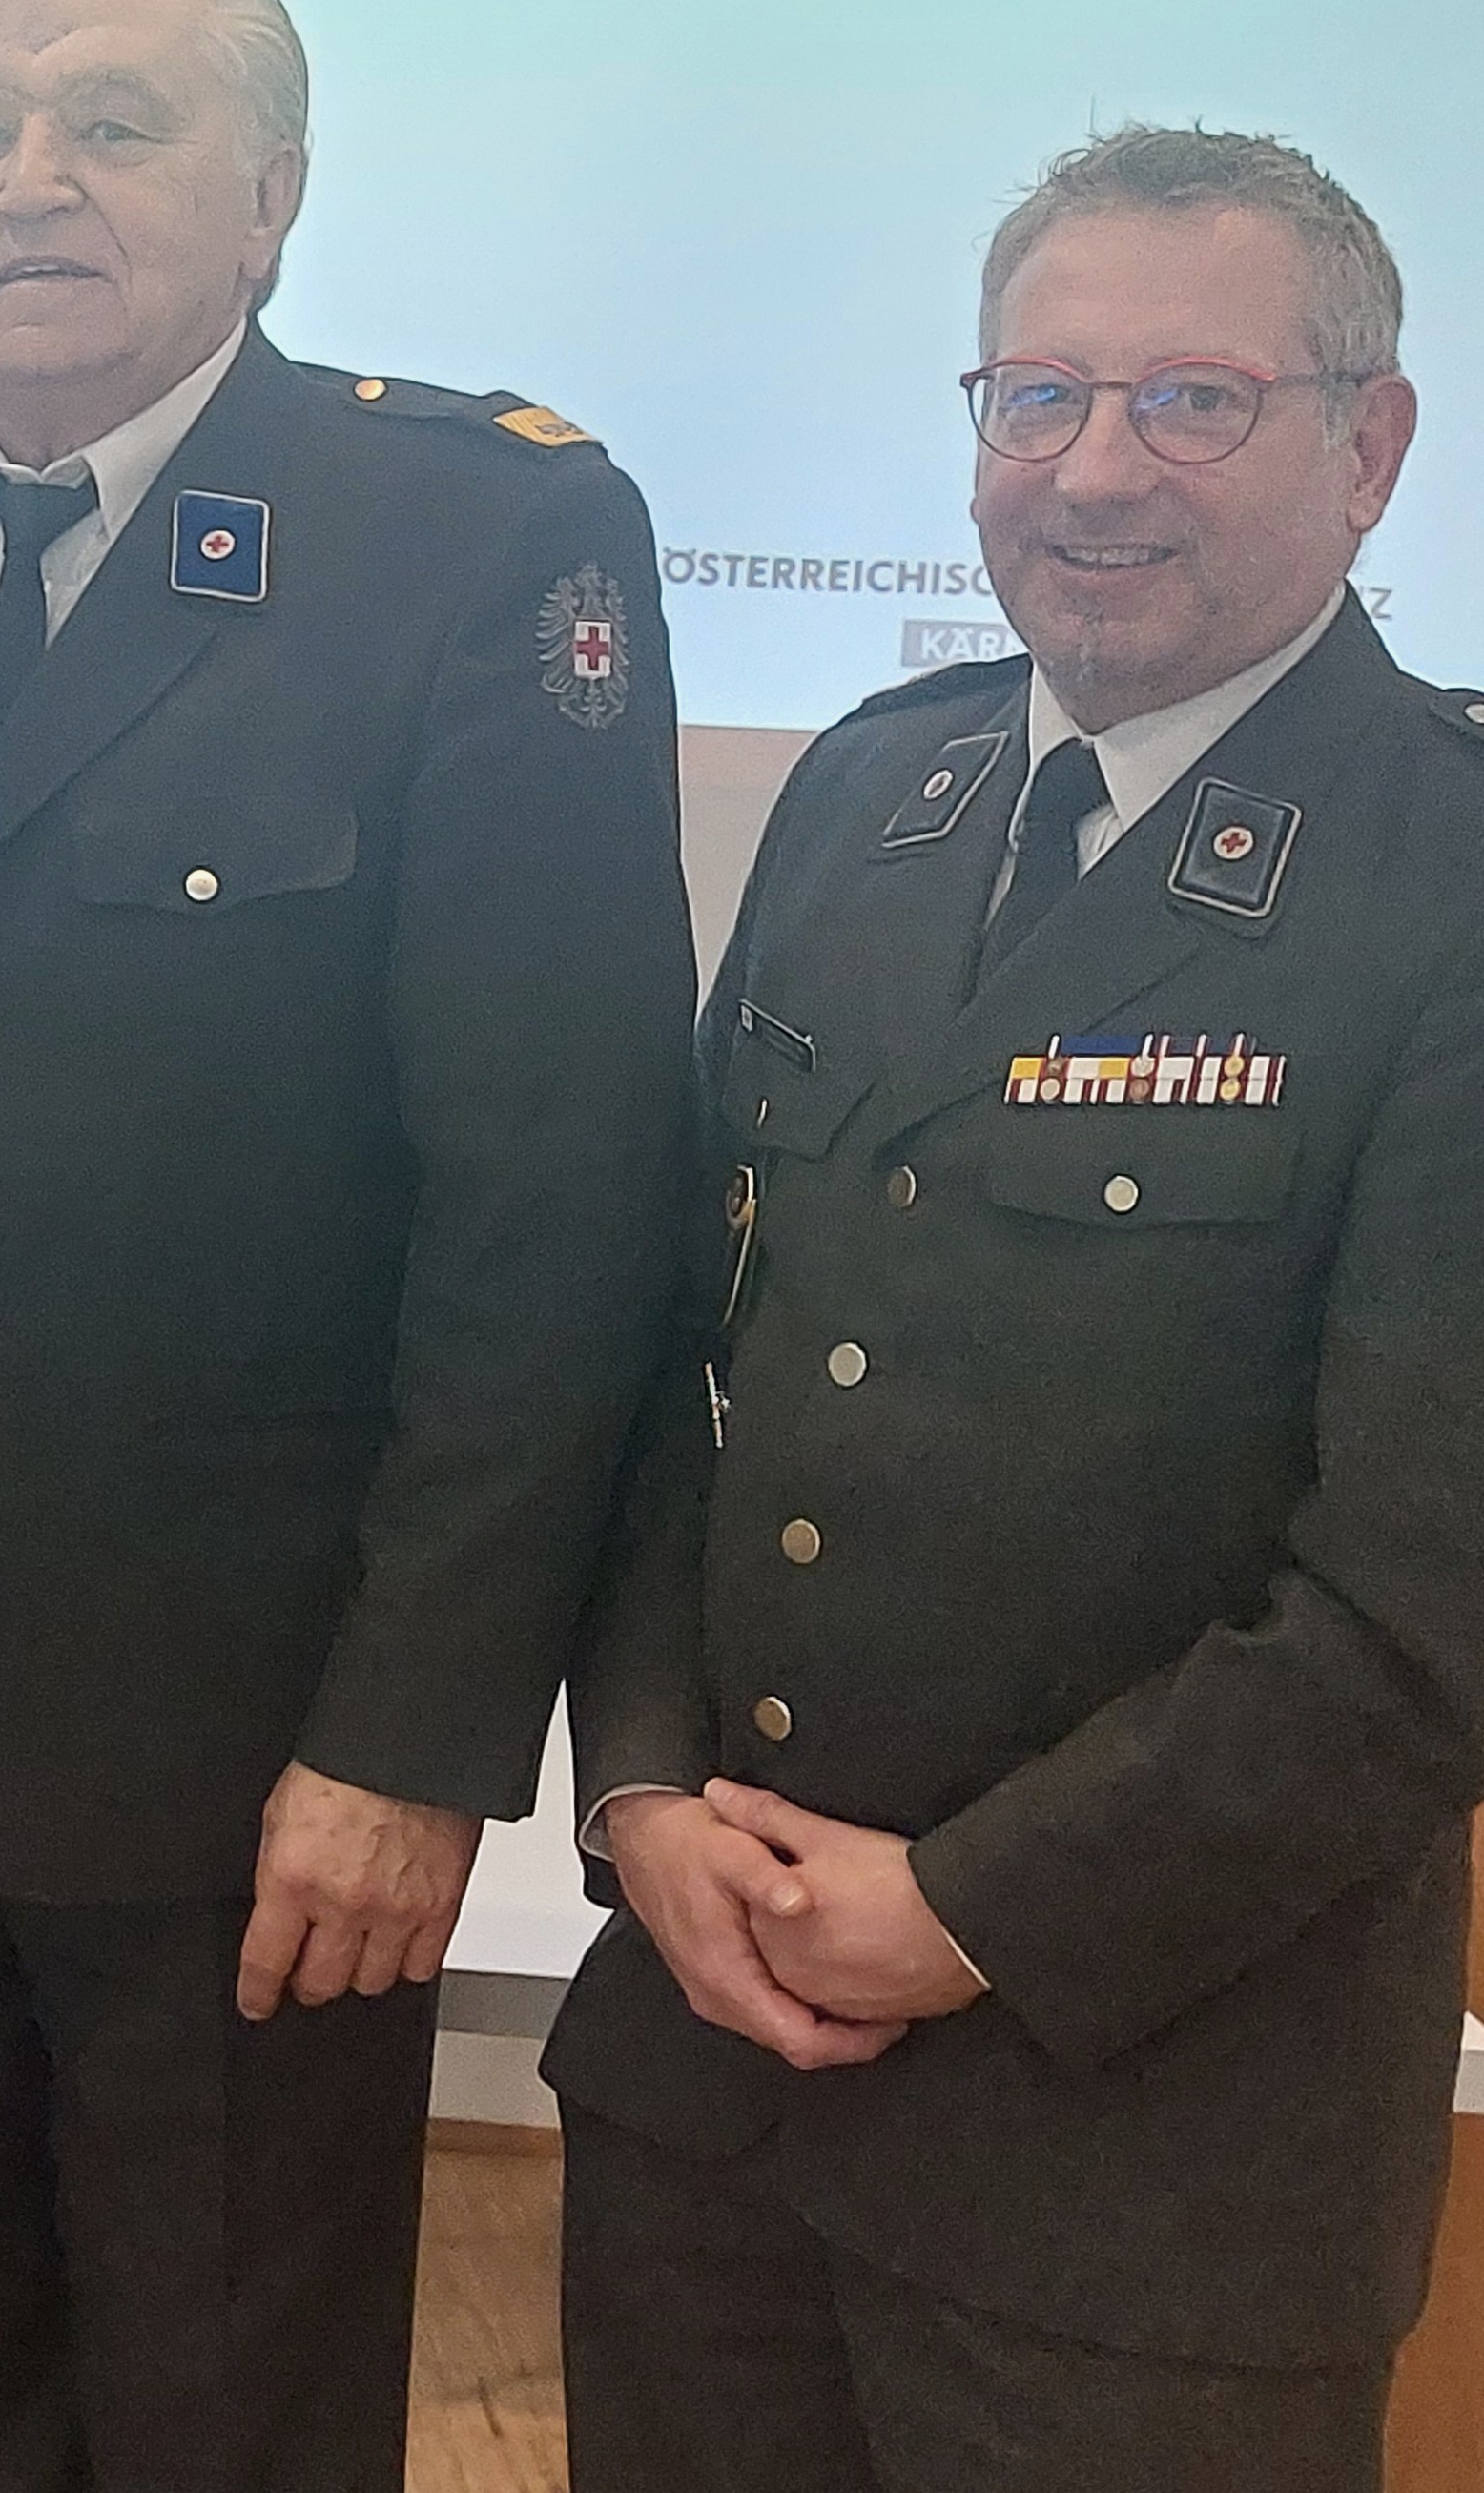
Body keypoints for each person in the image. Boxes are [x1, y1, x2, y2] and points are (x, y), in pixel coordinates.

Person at [0, 0, 694, 2487]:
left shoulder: (467, 535)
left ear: (271, 194)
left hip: (242, 1770)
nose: (28, 181)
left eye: (111, 123)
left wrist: (414, 1734)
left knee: (220, 2426)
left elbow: (554, 1201)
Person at [546, 127, 1484, 2493]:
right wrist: (635, 1787)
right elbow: (671, 1368)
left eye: (1191, 400)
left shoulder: (1447, 873)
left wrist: (971, 1909)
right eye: (1033, 396)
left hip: (1146, 2167)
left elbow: (1428, 1603)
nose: (1089, 470)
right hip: (708, 2085)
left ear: (1368, 446)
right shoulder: (865, 795)